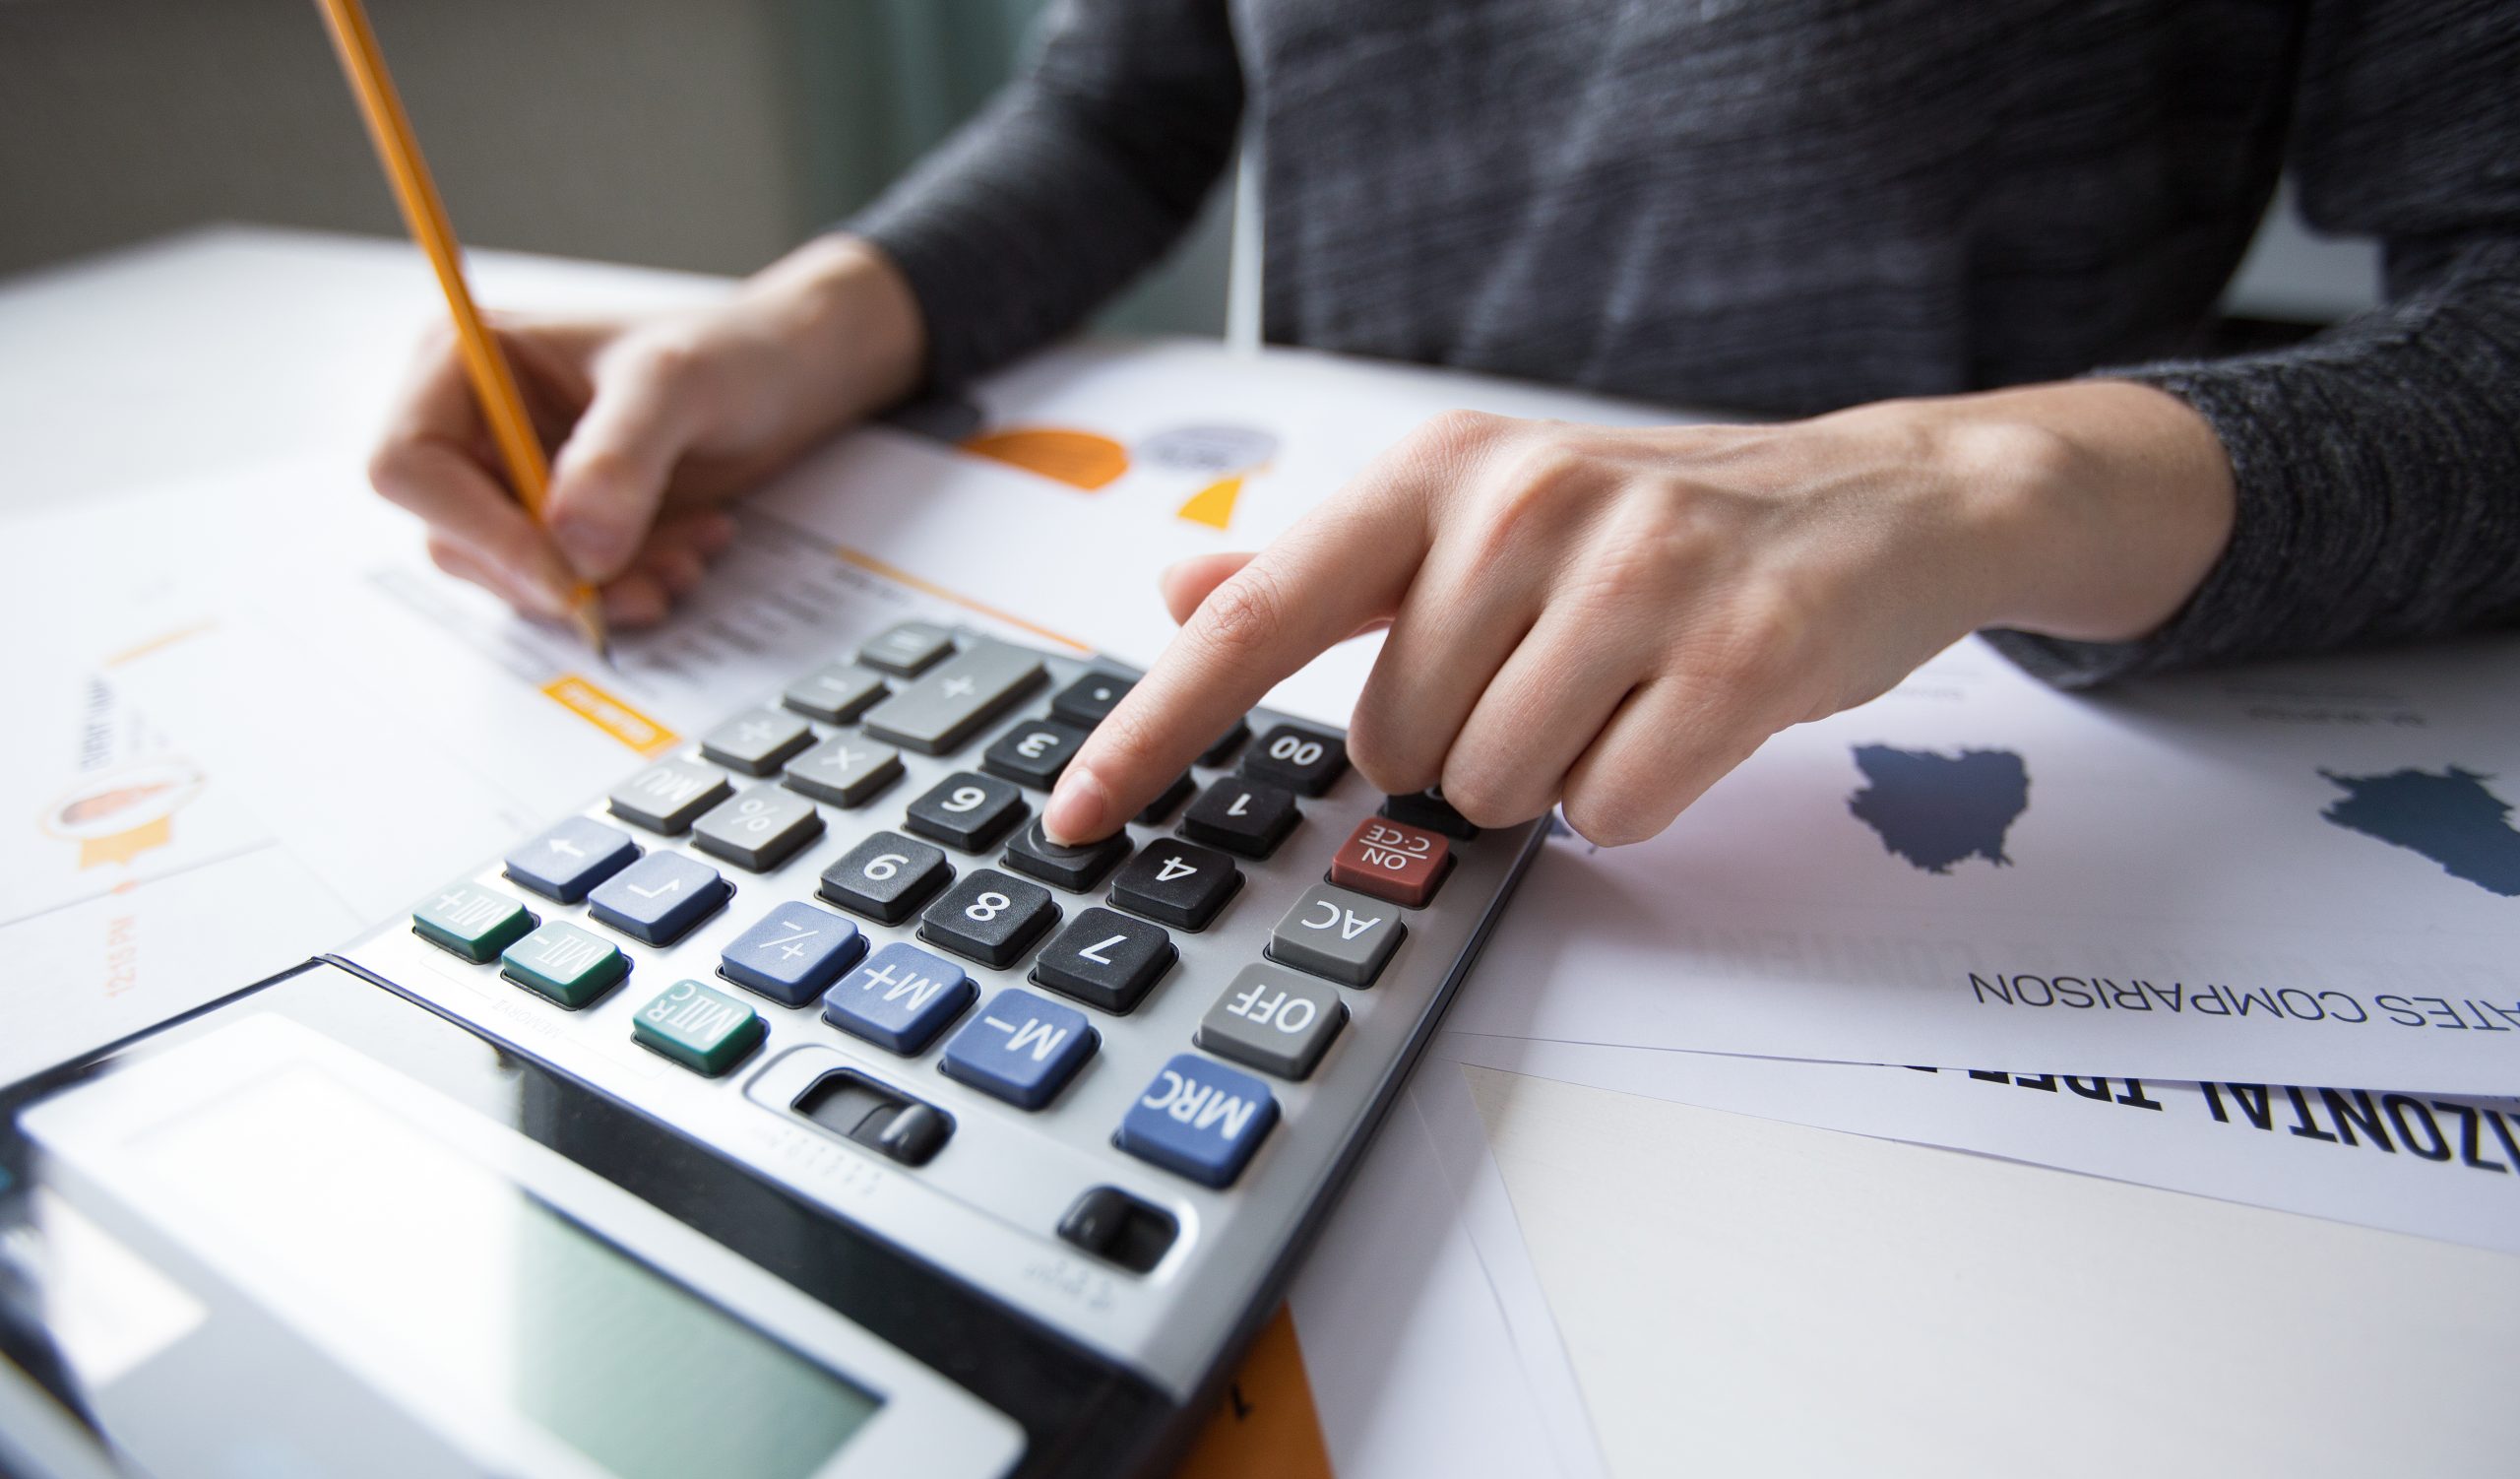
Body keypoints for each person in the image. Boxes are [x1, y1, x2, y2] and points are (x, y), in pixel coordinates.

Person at [369, 0, 2519, 851]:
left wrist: (1990, 473)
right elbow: (1133, 93)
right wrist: (814, 323)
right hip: (1354, 664)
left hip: (1923, 723)